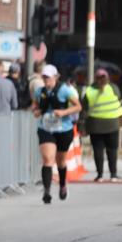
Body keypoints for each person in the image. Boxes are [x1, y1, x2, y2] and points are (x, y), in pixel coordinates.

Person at [32, 64, 82, 204]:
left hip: (64, 129)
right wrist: (36, 111)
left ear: (55, 77)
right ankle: (47, 191)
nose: (46, 80)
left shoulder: (64, 90)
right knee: (48, 159)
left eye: (48, 77)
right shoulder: (39, 91)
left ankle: (62, 185)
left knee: (61, 162)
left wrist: (64, 112)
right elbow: (35, 106)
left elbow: (78, 106)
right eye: (44, 77)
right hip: (46, 128)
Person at [83, 68, 122, 183]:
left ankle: (100, 175)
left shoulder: (89, 90)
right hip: (112, 124)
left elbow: (84, 107)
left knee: (98, 150)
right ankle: (113, 174)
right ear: (107, 78)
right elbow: (119, 99)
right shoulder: (113, 88)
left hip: (95, 125)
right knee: (112, 150)